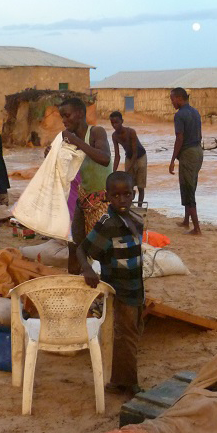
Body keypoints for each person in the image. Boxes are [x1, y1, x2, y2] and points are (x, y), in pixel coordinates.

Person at [77, 171, 144, 395]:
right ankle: (129, 384)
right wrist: (87, 269)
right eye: (116, 195)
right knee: (126, 336)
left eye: (126, 194)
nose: (122, 199)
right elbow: (82, 249)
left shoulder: (134, 218)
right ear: (107, 196)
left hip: (136, 286)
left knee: (130, 334)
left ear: (133, 194)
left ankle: (119, 380)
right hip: (119, 288)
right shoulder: (108, 223)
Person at [59, 97, 111, 274]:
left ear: (80, 114)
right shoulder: (68, 141)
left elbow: (104, 158)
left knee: (103, 250)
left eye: (67, 116)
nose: (64, 121)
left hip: (103, 200)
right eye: (62, 117)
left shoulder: (96, 132)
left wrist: (76, 142)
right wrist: (52, 155)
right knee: (74, 245)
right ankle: (72, 285)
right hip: (84, 198)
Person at [168, 87, 203, 235]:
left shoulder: (180, 115)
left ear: (178, 98)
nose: (172, 103)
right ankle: (186, 221)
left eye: (172, 100)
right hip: (198, 151)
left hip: (188, 153)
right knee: (190, 184)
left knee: (188, 188)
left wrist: (172, 160)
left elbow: (179, 138)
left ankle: (196, 228)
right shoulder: (195, 112)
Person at [109, 111, 147, 207]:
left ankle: (139, 207)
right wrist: (113, 172)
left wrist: (128, 170)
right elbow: (117, 155)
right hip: (129, 157)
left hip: (140, 156)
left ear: (122, 121)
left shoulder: (131, 132)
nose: (114, 125)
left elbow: (135, 153)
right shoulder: (114, 136)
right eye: (112, 123)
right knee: (128, 185)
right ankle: (129, 206)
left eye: (116, 122)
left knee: (140, 186)